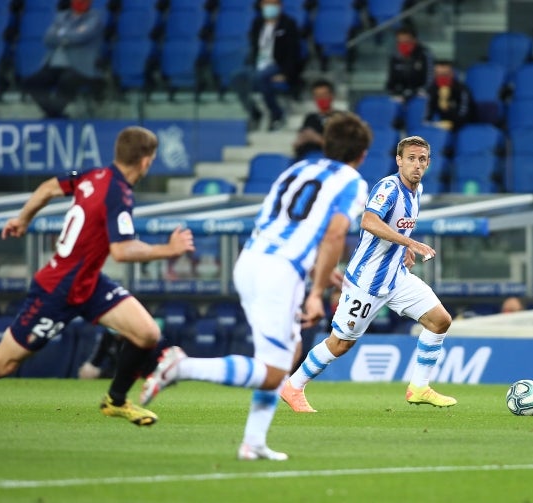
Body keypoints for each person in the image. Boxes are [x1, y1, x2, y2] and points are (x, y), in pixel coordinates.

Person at [0, 126, 196, 447]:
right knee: (4, 362)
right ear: (146, 161)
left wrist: (24, 219)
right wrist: (169, 249)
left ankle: (115, 400)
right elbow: (122, 250)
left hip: (88, 283)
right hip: (58, 290)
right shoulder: (118, 193)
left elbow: (50, 187)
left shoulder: (94, 175)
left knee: (146, 333)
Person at [140, 112, 373, 461]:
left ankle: (254, 442)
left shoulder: (295, 170)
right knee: (274, 370)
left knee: (291, 349)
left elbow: (284, 224)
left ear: (326, 143)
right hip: (280, 274)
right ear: (362, 153)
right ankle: (182, 366)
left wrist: (315, 273)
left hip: (252, 261)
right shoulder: (352, 182)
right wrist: (315, 292)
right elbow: (335, 233)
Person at [280, 135, 457, 413]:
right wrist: (409, 242)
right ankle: (293, 386)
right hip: (367, 281)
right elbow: (369, 220)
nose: (417, 165)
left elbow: (397, 226)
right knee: (340, 344)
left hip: (396, 277)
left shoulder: (418, 190)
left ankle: (419, 388)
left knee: (440, 321)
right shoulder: (389, 187)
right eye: (411, 158)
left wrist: (403, 248)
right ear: (399, 161)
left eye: (422, 159)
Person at [22, 0, 103, 118]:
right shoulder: (61, 17)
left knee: (67, 80)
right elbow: (48, 38)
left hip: (80, 66)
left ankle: (53, 115)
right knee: (31, 82)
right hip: (55, 64)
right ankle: (54, 114)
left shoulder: (95, 19)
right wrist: (70, 35)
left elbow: (81, 37)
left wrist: (61, 34)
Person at [232, 0, 303, 131]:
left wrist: (286, 74)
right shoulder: (257, 23)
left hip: (277, 65)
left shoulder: (288, 24)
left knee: (260, 77)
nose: (269, 7)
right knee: (237, 77)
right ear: (261, 6)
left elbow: (293, 52)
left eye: (273, 4)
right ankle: (254, 112)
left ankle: (277, 114)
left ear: (280, 6)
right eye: (266, 4)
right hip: (258, 64)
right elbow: (254, 47)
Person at [292, 78, 339, 161]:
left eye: (324, 95)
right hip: (308, 161)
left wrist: (317, 139)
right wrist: (299, 142)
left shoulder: (341, 118)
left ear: (332, 96)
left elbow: (342, 147)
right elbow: (298, 146)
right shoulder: (310, 118)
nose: (321, 99)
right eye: (317, 96)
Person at [385, 25, 434, 102]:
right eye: (400, 42)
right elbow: (390, 82)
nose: (403, 44)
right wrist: (395, 93)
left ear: (415, 40)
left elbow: (429, 81)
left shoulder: (424, 55)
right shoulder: (395, 57)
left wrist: (412, 93)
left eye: (406, 42)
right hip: (400, 95)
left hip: (419, 94)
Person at [424, 60, 475, 131]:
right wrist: (434, 124)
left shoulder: (462, 90)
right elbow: (427, 116)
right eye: (438, 75)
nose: (441, 77)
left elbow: (464, 116)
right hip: (443, 127)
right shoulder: (433, 90)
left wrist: (448, 109)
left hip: (463, 127)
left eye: (444, 74)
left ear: (452, 74)